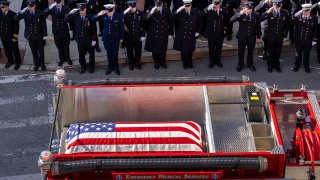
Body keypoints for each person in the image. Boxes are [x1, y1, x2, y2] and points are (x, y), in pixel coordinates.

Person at [15, 0, 47, 71]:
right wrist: (21, 11)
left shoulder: (40, 12)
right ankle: (36, 64)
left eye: (32, 6)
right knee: (34, 51)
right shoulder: (25, 12)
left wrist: (45, 36)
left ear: (35, 5)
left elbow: (43, 25)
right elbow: (15, 18)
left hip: (39, 35)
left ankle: (42, 64)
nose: (30, 8)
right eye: (29, 6)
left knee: (41, 51)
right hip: (30, 36)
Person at [65, 3, 97, 74]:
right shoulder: (75, 16)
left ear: (85, 9)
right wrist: (70, 13)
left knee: (91, 54)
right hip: (80, 39)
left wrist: (94, 39)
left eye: (82, 10)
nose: (81, 12)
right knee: (81, 54)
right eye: (80, 10)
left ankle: (91, 66)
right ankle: (83, 66)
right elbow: (66, 20)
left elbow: (94, 29)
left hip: (89, 39)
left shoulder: (90, 16)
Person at [230, 1, 261, 72]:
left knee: (251, 51)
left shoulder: (255, 15)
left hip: (252, 37)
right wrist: (240, 13)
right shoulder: (241, 14)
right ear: (245, 8)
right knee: (241, 52)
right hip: (242, 36)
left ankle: (250, 64)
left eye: (251, 9)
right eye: (248, 9)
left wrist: (258, 37)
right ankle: (240, 64)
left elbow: (258, 27)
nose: (250, 10)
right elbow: (231, 20)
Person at [94, 4, 124, 75]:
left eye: (111, 11)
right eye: (108, 11)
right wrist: (99, 14)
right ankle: (110, 67)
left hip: (115, 38)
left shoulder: (118, 16)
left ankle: (116, 67)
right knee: (109, 53)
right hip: (106, 38)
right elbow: (93, 19)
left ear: (113, 9)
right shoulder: (103, 15)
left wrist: (121, 38)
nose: (109, 13)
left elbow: (121, 28)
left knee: (115, 53)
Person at [260, 0, 289, 73]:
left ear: (281, 5)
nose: (277, 8)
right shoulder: (270, 12)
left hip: (280, 36)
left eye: (278, 7)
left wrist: (285, 35)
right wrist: (267, 12)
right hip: (270, 36)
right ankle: (270, 65)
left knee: (278, 52)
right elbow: (260, 19)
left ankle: (277, 65)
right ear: (273, 6)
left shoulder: (285, 12)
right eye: (275, 7)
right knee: (270, 51)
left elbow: (286, 25)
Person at [144, 0, 173, 69]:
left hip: (163, 32)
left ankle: (163, 62)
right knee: (155, 49)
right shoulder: (150, 8)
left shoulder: (167, 9)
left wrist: (171, 33)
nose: (158, 2)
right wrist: (151, 11)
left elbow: (170, 22)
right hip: (154, 33)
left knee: (163, 49)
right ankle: (156, 62)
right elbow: (145, 19)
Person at [43, 0, 73, 66]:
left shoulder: (66, 8)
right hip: (56, 31)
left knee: (66, 45)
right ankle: (61, 59)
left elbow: (70, 19)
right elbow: (44, 14)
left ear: (61, 2)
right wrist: (49, 8)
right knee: (59, 46)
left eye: (59, 2)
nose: (58, 4)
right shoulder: (53, 8)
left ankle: (68, 59)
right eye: (57, 2)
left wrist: (71, 28)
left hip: (64, 30)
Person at [172, 0, 199, 69]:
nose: (187, 7)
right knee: (183, 50)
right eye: (186, 6)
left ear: (191, 5)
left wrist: (198, 31)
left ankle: (190, 61)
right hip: (182, 34)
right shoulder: (180, 12)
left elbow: (199, 21)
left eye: (188, 6)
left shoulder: (195, 11)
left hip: (191, 34)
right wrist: (179, 9)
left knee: (190, 49)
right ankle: (184, 62)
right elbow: (171, 17)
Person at [292, 3, 317, 73]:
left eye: (307, 11)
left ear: (310, 10)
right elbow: (290, 22)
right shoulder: (298, 16)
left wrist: (314, 39)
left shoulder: (314, 18)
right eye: (304, 11)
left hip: (308, 40)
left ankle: (306, 66)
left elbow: (315, 30)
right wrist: (295, 15)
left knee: (306, 54)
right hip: (298, 40)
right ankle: (297, 65)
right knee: (298, 54)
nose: (305, 12)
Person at [202, 0, 227, 68]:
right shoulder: (209, 9)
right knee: (211, 48)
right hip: (211, 33)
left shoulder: (224, 9)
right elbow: (201, 14)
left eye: (217, 4)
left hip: (220, 33)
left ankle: (218, 61)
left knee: (219, 48)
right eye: (215, 4)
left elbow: (225, 20)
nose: (216, 5)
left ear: (220, 3)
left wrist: (225, 29)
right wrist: (208, 8)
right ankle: (211, 61)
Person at [123, 0, 145, 70]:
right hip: (129, 36)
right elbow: (120, 19)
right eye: (130, 8)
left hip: (138, 36)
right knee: (129, 51)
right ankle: (131, 64)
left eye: (133, 8)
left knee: (138, 51)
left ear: (135, 6)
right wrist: (124, 12)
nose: (132, 9)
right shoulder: (126, 14)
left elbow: (143, 25)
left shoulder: (140, 13)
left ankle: (137, 63)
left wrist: (143, 35)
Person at [0, 1, 21, 70]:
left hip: (11, 36)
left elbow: (16, 27)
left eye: (3, 7)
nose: (2, 9)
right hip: (4, 36)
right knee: (7, 50)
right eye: (1, 7)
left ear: (7, 7)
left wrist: (15, 37)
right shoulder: (1, 15)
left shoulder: (13, 15)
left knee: (15, 50)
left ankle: (18, 62)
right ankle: (10, 61)